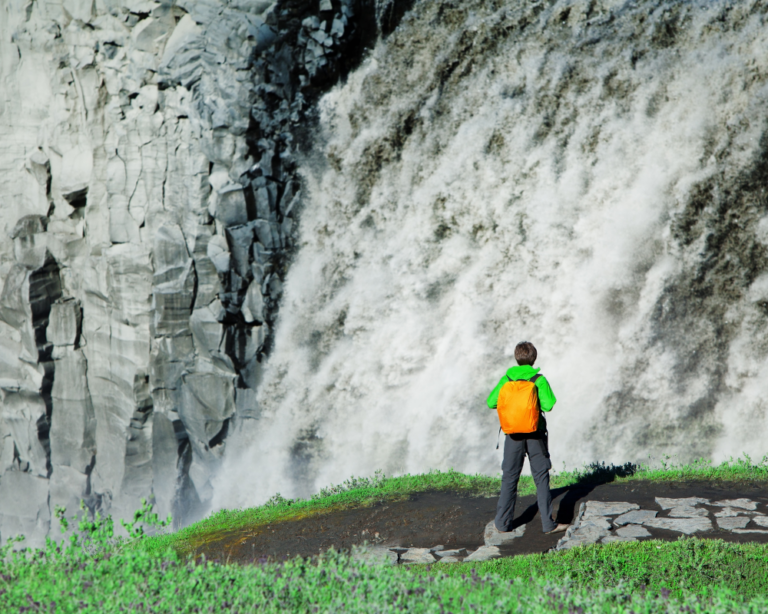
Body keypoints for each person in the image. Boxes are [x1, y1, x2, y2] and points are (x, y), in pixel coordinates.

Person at [486, 341, 569, 535]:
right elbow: (548, 405)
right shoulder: (538, 379)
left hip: (513, 435)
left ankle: (502, 524)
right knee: (541, 477)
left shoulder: (507, 378)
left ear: (516, 358)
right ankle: (548, 525)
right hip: (535, 435)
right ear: (534, 359)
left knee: (509, 478)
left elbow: (491, 402)